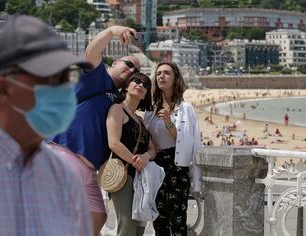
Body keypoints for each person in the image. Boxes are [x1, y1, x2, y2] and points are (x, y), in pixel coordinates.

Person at [0, 15, 92, 235]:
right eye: (52, 79)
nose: (64, 91)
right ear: (3, 89)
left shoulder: (64, 177)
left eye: (66, 78)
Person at [49, 25, 141, 232]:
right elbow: (91, 52)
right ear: (115, 62)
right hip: (67, 153)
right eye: (129, 64)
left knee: (98, 216)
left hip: (90, 169)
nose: (132, 71)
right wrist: (111, 31)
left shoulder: (118, 98)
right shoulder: (97, 75)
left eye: (136, 71)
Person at [144, 62, 203, 236]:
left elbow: (192, 144)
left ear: (176, 78)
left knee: (178, 221)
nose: (161, 76)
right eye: (159, 73)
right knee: (159, 221)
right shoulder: (151, 109)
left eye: (167, 73)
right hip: (155, 167)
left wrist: (169, 123)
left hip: (177, 168)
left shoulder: (186, 109)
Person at [106, 73, 156, 235]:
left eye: (145, 85)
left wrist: (145, 157)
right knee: (127, 225)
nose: (141, 85)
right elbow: (113, 143)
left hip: (141, 178)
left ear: (146, 95)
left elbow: (152, 149)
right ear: (127, 86)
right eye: (137, 81)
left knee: (139, 228)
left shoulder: (140, 120)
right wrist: (136, 161)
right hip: (123, 173)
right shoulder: (117, 109)